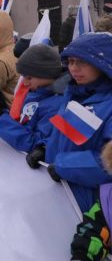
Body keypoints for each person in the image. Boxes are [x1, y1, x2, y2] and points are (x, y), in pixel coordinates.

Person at [44, 32, 112, 213]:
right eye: (71, 62)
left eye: (81, 62)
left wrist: (63, 166)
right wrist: (44, 148)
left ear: (102, 64)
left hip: (91, 206)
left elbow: (108, 165)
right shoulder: (73, 95)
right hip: (59, 194)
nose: (74, 69)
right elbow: (64, 135)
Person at [0, 44, 67, 159]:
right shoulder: (35, 92)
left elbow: (35, 143)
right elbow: (23, 123)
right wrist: (0, 113)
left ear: (46, 73)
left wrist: (1, 121)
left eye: (29, 77)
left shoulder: (56, 105)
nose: (24, 83)